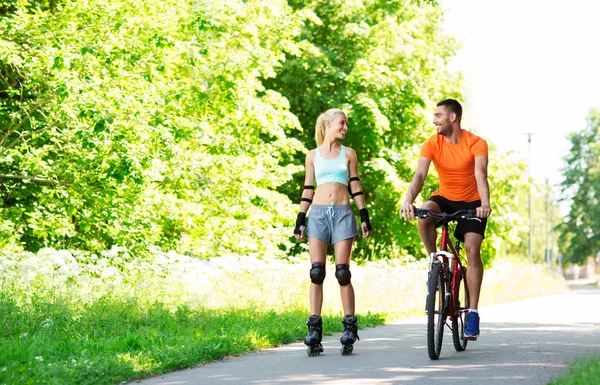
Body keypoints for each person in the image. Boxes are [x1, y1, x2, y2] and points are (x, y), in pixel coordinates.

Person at [399, 99, 491, 340]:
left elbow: (481, 174)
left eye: (438, 115)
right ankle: (433, 264)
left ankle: (472, 312)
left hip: (472, 203)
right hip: (445, 198)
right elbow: (420, 175)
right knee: (424, 214)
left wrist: (485, 204)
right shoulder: (432, 143)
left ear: (453, 117)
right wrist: (408, 200)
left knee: (472, 251)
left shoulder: (476, 143)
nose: (434, 120)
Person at [293, 108, 372, 355]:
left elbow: (355, 184)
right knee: (316, 273)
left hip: (342, 214)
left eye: (346, 124)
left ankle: (349, 325)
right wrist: (300, 218)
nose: (345, 128)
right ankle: (314, 328)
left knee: (342, 273)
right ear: (328, 124)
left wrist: (364, 215)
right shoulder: (312, 156)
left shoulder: (349, 154)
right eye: (342, 123)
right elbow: (308, 187)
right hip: (317, 214)